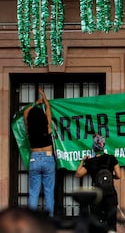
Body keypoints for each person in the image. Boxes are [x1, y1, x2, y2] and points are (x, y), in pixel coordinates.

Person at [75, 134, 121, 232]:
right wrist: (111, 177)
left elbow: (78, 174)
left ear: (94, 147)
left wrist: (82, 161)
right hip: (110, 195)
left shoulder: (90, 162)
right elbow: (119, 175)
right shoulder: (111, 158)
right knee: (111, 223)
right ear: (103, 145)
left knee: (97, 222)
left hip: (96, 196)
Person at [23, 87, 56, 217]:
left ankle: (31, 222)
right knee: (49, 192)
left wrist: (36, 103)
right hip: (48, 158)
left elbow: (26, 112)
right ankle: (49, 222)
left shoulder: (29, 127)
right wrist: (44, 98)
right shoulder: (47, 126)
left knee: (33, 193)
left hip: (34, 159)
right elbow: (49, 110)